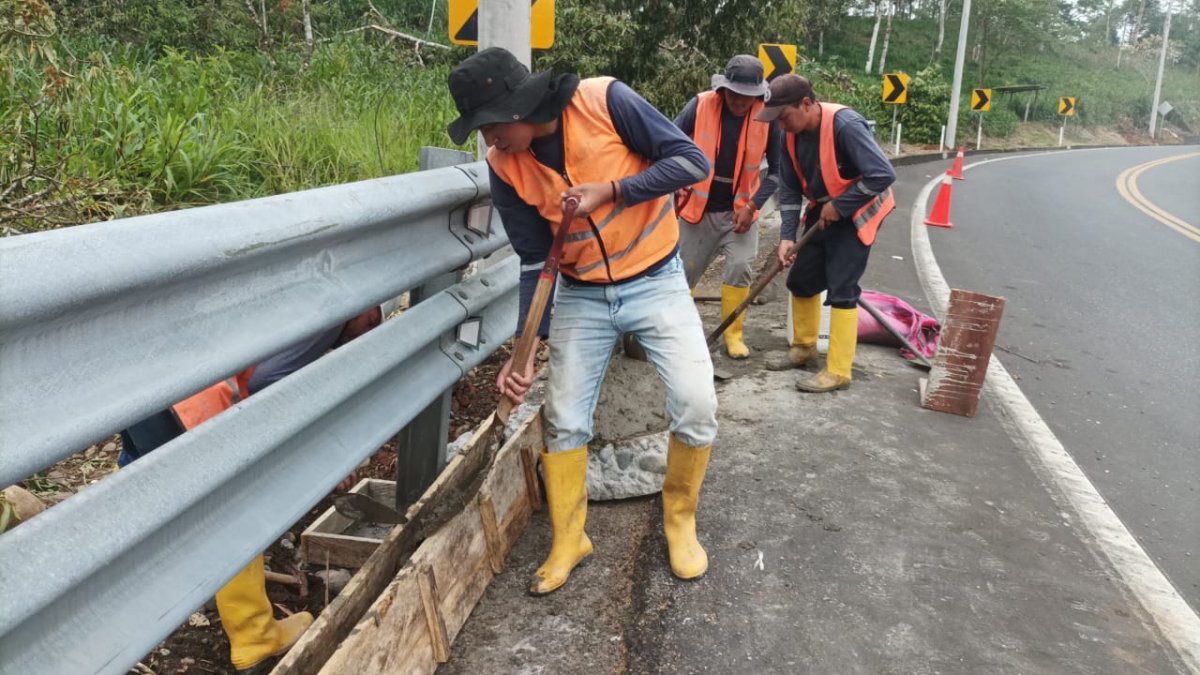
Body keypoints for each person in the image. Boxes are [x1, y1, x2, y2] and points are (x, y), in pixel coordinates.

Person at [446, 48, 719, 594]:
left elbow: (692, 163)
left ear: (521, 106)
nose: (489, 140)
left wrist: (613, 191)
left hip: (655, 278)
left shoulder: (605, 101)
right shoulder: (504, 165)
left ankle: (679, 520)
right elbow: (533, 260)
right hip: (581, 292)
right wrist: (525, 352)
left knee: (696, 405)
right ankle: (569, 539)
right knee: (565, 419)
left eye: (492, 125)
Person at [117, 309, 380, 672]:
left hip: (142, 380)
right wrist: (322, 451)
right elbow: (268, 383)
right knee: (236, 509)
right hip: (195, 401)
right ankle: (254, 637)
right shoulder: (332, 312)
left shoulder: (300, 291)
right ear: (364, 308)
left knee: (142, 481)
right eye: (372, 320)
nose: (366, 330)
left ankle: (125, 592)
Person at [755, 74, 896, 392]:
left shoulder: (845, 126)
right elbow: (790, 190)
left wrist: (842, 205)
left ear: (806, 104)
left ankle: (839, 371)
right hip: (824, 207)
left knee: (842, 286)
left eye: (783, 116)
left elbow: (883, 174)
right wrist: (787, 237)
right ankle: (804, 347)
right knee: (801, 279)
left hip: (859, 208)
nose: (779, 125)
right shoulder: (789, 135)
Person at [673, 54, 781, 359]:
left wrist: (753, 206)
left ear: (758, 95)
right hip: (697, 210)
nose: (740, 101)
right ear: (723, 89)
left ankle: (733, 335)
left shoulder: (768, 118)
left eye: (748, 96)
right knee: (684, 272)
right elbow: (668, 141)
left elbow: (777, 172)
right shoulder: (699, 105)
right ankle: (681, 335)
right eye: (735, 94)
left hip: (741, 213)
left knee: (740, 267)